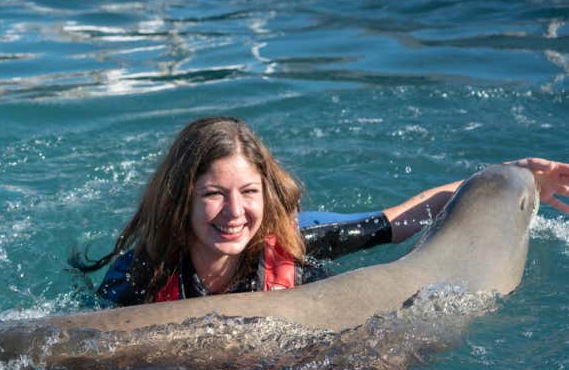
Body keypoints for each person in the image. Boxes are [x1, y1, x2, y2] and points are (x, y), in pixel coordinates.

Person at [73, 117, 569, 306]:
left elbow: (404, 220)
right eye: (212, 195)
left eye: (248, 192)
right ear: (181, 200)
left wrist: (510, 178)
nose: (234, 212)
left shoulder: (298, 243)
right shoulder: (141, 273)